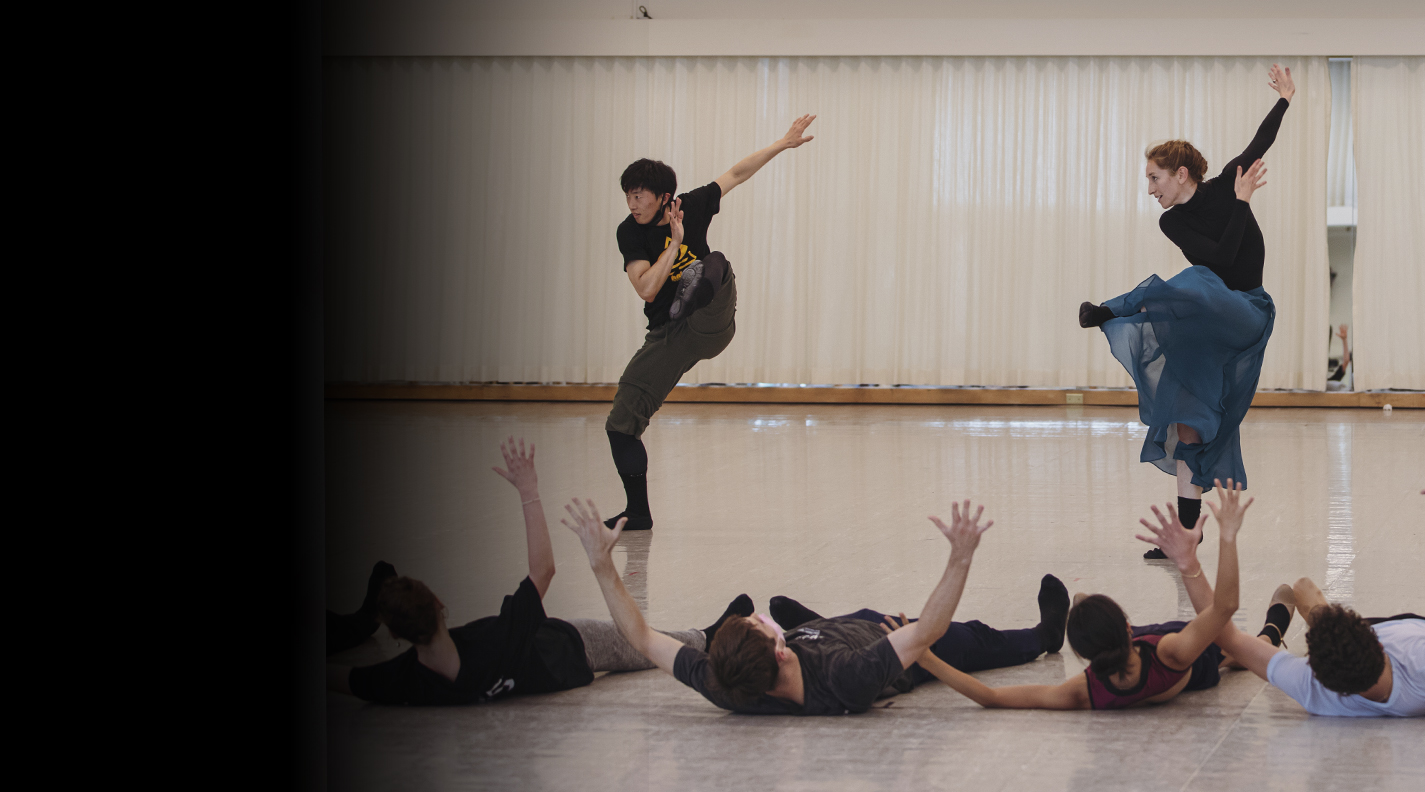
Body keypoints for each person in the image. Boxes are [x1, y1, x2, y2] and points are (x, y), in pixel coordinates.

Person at [327, 439, 749, 704]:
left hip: (557, 670)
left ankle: (706, 636)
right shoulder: (497, 639)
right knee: (638, 642)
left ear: (398, 636)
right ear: (439, 605)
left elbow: (344, 680)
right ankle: (708, 637)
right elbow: (543, 571)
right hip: (569, 649)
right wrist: (529, 493)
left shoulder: (401, 682)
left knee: (636, 644)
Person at [559, 496, 1060, 716]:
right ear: (778, 653)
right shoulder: (846, 679)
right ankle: (1044, 634)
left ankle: (809, 623)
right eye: (761, 627)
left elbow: (641, 639)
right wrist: (959, 559)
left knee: (829, 622)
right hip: (884, 638)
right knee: (974, 639)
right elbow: (927, 630)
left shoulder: (724, 682)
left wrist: (603, 567)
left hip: (830, 633)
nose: (758, 617)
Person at [1078, 64, 1293, 560]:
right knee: (1185, 422)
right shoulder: (1171, 222)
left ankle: (1111, 310)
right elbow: (1212, 261)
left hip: (1247, 311)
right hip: (1208, 319)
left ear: (1181, 174)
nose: (1150, 189)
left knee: (1197, 279)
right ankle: (1187, 536)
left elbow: (1260, 144)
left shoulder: (1224, 188)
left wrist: (1284, 99)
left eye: (1155, 178)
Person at [603, 114, 817, 531]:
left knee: (715, 263)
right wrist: (677, 245)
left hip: (710, 319)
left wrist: (782, 143)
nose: (631, 205)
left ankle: (695, 290)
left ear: (665, 197)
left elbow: (737, 173)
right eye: (628, 196)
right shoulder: (629, 233)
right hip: (669, 332)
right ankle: (638, 512)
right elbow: (646, 289)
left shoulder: (693, 204)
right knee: (621, 422)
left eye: (639, 196)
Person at [1209, 445, 1425, 717]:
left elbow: (1227, 635)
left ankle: (1279, 629)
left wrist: (1203, 554)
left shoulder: (1314, 689)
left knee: (1302, 586)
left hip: (1403, 630)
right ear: (1378, 643)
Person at [916, 484, 1261, 710]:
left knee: (1233, 650)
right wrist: (1226, 537)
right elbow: (1225, 608)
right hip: (1173, 652)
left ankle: (1084, 605)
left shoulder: (1085, 690)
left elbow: (991, 697)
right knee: (1236, 649)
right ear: (1127, 627)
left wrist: (924, 656)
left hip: (1138, 646)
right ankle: (1271, 631)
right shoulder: (1171, 652)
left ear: (1079, 654)